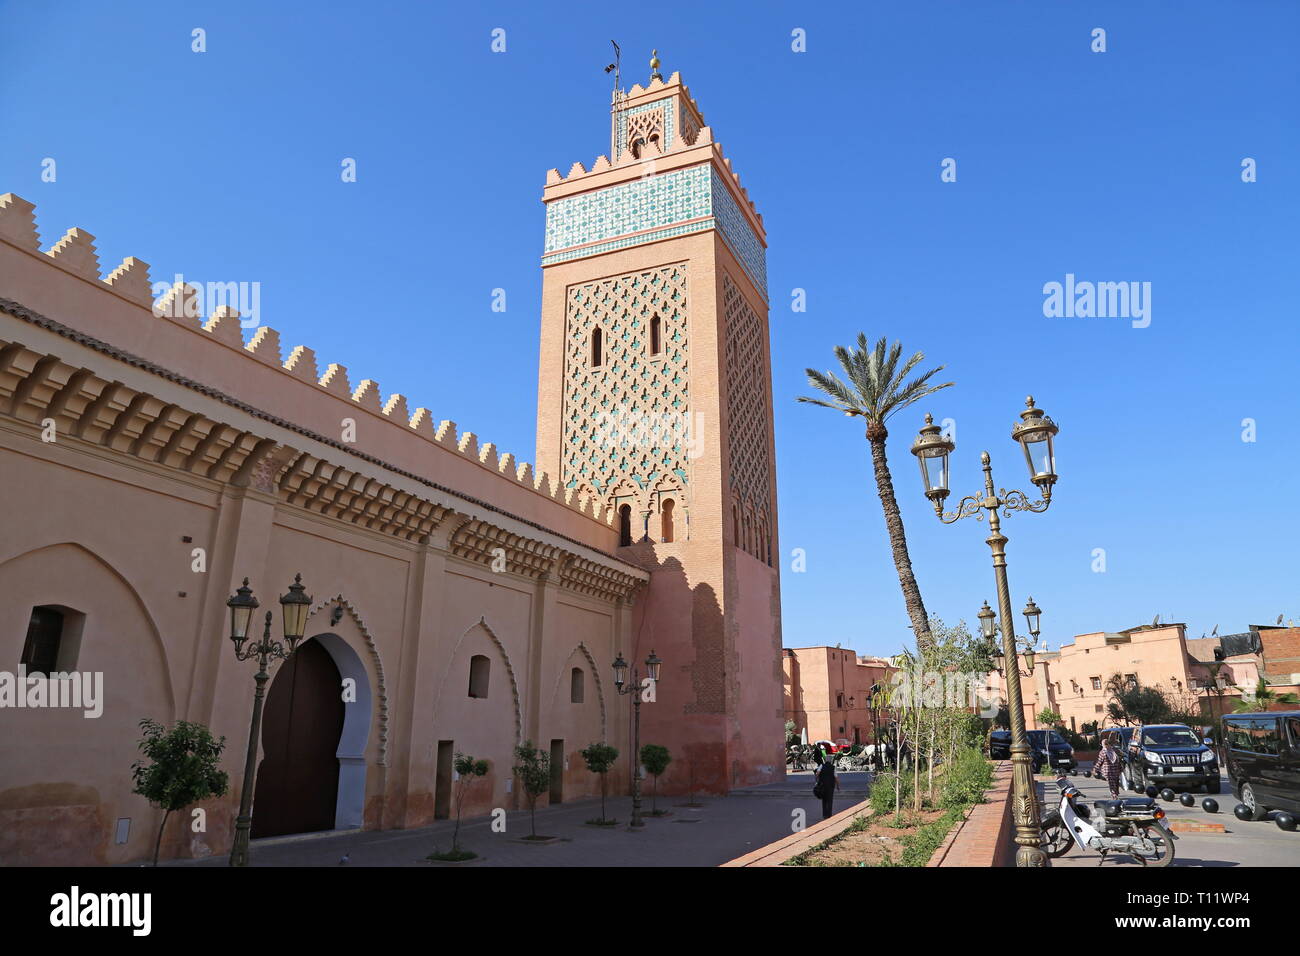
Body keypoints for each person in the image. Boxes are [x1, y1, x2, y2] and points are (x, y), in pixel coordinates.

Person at [1092, 732, 1123, 798]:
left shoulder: (1103, 752)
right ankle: (1115, 793)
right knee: (1115, 782)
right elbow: (1118, 760)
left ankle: (1114, 793)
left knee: (1112, 783)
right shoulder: (1114, 750)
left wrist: (1095, 769)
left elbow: (1099, 762)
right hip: (1115, 770)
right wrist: (1120, 768)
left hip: (1108, 771)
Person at [814, 750, 838, 820]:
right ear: (831, 761)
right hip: (830, 786)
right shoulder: (833, 767)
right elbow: (836, 778)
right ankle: (829, 814)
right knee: (830, 800)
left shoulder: (821, 766)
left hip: (823, 786)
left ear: (825, 760)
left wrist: (816, 780)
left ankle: (824, 815)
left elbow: (817, 773)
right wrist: (838, 786)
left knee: (824, 800)